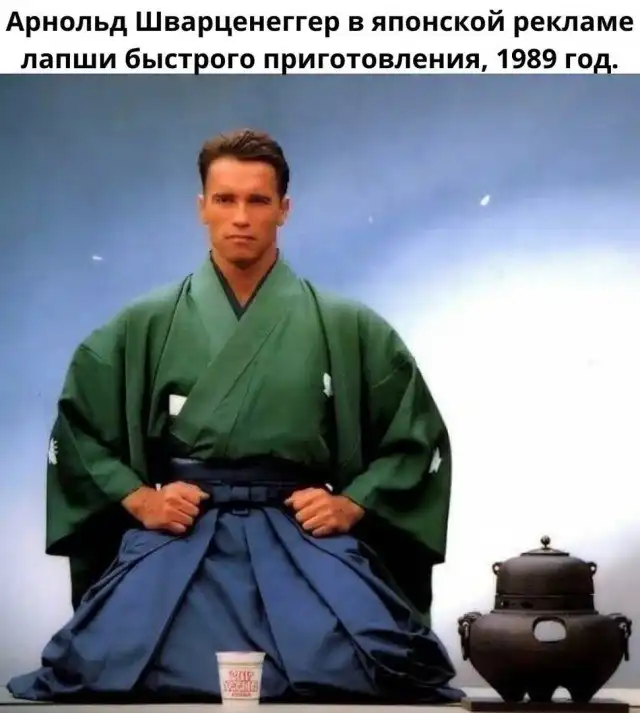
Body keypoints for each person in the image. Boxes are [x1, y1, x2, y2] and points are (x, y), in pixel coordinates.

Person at [7, 128, 463, 704]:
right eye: (225, 199)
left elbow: (414, 440)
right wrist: (142, 500)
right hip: (183, 530)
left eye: (258, 200)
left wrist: (351, 504)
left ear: (284, 209)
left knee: (384, 661)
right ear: (202, 207)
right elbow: (79, 432)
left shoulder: (348, 326)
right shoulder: (142, 325)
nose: (241, 217)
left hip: (298, 534)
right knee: (99, 663)